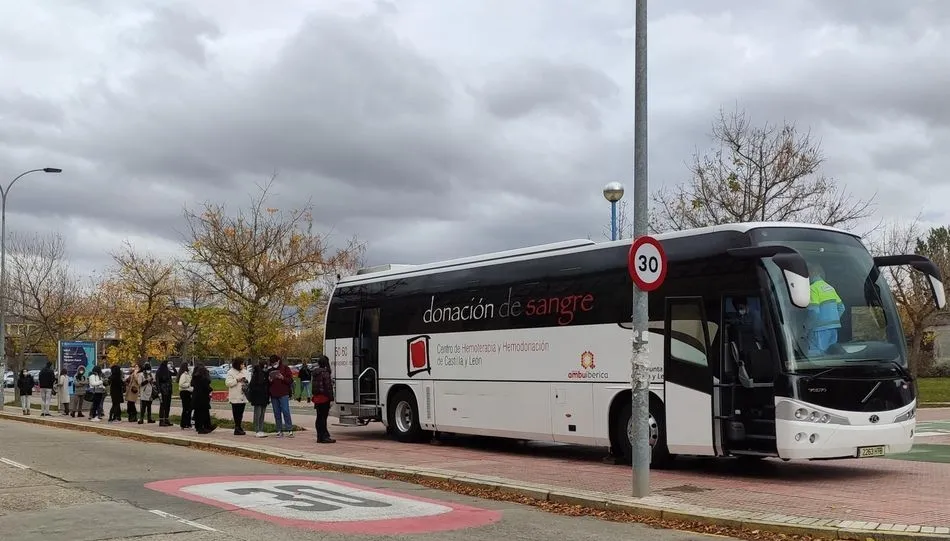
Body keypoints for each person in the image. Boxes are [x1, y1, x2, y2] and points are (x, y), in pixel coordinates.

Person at [806, 263, 846, 355]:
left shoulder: (813, 288)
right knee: (831, 355)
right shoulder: (830, 288)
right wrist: (833, 319)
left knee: (816, 356)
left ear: (812, 273)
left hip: (819, 329)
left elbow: (814, 311)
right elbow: (842, 308)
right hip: (833, 329)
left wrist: (807, 327)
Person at [266, 355, 294, 438]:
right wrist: (270, 381)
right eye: (272, 363)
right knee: (276, 413)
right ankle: (279, 430)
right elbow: (268, 384)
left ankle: (289, 429)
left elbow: (290, 380)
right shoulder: (270, 370)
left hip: (283, 393)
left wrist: (283, 378)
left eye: (275, 362)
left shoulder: (285, 368)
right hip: (274, 394)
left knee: (286, 411)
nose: (274, 364)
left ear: (278, 361)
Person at [311, 355, 335, 443]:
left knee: (319, 417)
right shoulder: (326, 373)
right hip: (324, 398)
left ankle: (319, 436)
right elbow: (328, 387)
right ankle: (325, 436)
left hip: (317, 397)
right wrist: (331, 398)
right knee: (323, 418)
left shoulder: (315, 373)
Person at [225, 358, 250, 436]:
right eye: (241, 364)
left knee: (241, 412)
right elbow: (228, 383)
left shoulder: (245, 372)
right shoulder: (231, 372)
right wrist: (237, 380)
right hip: (235, 395)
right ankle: (237, 427)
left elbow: (249, 380)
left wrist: (246, 381)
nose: (243, 365)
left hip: (243, 395)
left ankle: (239, 426)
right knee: (236, 412)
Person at [247, 360, 270, 438]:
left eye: (266, 367)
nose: (265, 368)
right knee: (258, 414)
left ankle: (261, 429)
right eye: (264, 367)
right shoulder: (256, 374)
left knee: (262, 414)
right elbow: (252, 386)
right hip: (257, 397)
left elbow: (267, 384)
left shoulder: (266, 374)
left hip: (264, 396)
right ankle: (257, 430)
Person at [191, 364, 216, 434]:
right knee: (202, 413)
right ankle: (201, 428)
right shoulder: (203, 379)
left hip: (196, 398)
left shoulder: (196, 378)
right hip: (202, 399)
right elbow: (206, 388)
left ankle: (203, 426)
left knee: (199, 413)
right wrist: (211, 389)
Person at [156, 360, 174, 426]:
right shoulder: (159, 372)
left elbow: (175, 373)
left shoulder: (168, 372)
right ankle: (161, 420)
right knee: (163, 405)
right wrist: (159, 392)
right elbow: (157, 383)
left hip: (168, 390)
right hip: (163, 390)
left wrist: (172, 367)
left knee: (167, 405)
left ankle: (166, 419)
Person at [178, 362, 193, 430]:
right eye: (188, 366)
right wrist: (188, 385)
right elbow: (181, 384)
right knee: (186, 408)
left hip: (188, 392)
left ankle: (188, 422)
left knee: (189, 408)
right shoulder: (184, 375)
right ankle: (183, 423)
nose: (189, 367)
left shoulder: (188, 374)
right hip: (184, 393)